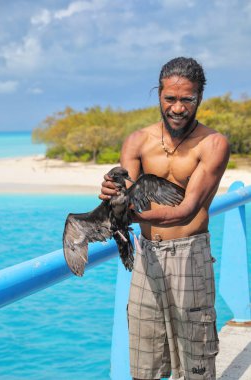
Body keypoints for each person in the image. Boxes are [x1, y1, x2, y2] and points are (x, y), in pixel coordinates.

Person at [99, 57, 230, 380]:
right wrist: (109, 193)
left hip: (190, 253)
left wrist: (132, 211)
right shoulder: (137, 141)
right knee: (144, 358)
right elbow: (124, 195)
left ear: (199, 97)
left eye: (188, 99)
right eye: (170, 98)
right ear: (158, 94)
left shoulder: (213, 144)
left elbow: (188, 209)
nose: (178, 107)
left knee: (196, 359)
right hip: (147, 256)